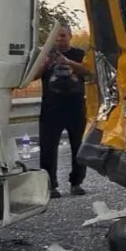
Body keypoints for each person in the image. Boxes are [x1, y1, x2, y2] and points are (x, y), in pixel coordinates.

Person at [39, 24, 88, 197]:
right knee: (48, 148)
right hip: (51, 109)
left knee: (79, 147)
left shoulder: (79, 54)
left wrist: (67, 62)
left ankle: (76, 183)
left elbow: (87, 71)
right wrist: (45, 62)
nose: (59, 39)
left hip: (75, 108)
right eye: (56, 37)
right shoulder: (44, 55)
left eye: (63, 35)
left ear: (70, 36)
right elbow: (33, 75)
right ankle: (51, 185)